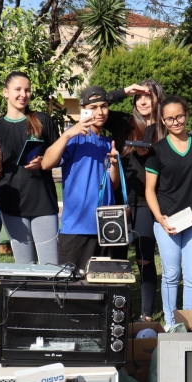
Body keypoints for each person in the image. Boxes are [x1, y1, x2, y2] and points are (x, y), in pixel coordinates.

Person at [144, 96, 192, 330]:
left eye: (180, 116)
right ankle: (171, 322)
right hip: (168, 222)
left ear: (187, 115)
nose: (176, 122)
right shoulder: (158, 151)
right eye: (170, 118)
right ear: (163, 121)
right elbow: (150, 190)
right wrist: (159, 219)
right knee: (171, 274)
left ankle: (188, 323)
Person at [41, 86, 121, 270]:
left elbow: (114, 185)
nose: (100, 112)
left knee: (101, 288)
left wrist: (115, 164)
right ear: (84, 109)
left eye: (104, 106)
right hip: (76, 228)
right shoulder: (74, 137)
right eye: (93, 107)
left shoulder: (110, 143)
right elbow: (46, 163)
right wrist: (68, 133)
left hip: (106, 227)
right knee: (71, 289)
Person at [0, 71, 60, 267]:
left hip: (43, 202)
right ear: (5, 93)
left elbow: (60, 158)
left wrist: (43, 160)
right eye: (17, 89)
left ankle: (50, 299)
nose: (23, 94)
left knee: (50, 267)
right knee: (24, 267)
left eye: (27, 90)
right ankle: (28, 299)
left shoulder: (43, 120)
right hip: (12, 206)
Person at [112, 80, 164, 321]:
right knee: (118, 259)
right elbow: (92, 105)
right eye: (139, 96)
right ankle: (120, 310)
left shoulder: (164, 128)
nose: (143, 101)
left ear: (157, 99)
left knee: (144, 257)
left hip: (146, 202)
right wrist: (124, 91)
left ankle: (145, 313)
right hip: (120, 199)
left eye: (148, 96)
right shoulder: (124, 123)